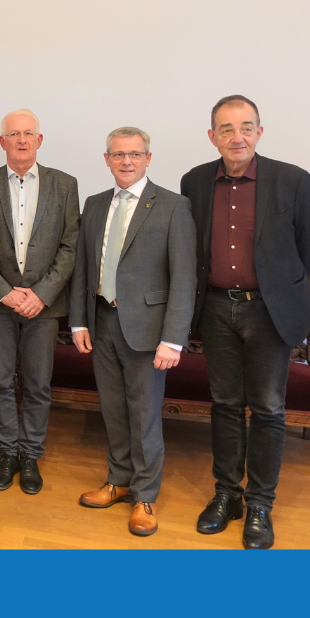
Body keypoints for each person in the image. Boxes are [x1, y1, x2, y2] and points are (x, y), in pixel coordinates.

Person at [181, 95, 310, 549]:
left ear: (259, 132)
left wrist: (278, 289)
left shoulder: (292, 180)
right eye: (226, 129)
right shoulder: (194, 182)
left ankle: (260, 503)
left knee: (267, 407)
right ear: (212, 136)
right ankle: (228, 494)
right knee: (223, 404)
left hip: (269, 311)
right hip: (216, 309)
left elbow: (309, 249)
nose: (236, 137)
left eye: (246, 127)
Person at [70, 127, 196, 537]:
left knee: (144, 415)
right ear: (106, 159)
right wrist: (79, 320)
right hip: (102, 322)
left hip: (148, 330)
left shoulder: (173, 206)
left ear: (148, 158)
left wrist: (173, 339)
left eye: (135, 154)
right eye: (118, 154)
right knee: (113, 409)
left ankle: (145, 495)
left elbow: (184, 277)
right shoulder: (94, 204)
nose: (127, 161)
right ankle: (118, 480)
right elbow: (83, 268)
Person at [0, 109, 79, 494]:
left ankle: (30, 455)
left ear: (39, 140)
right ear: (2, 142)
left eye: (28, 133)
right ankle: (7, 453)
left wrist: (42, 293)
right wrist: (3, 291)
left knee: (37, 384)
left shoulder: (65, 184)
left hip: (43, 305)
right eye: (14, 134)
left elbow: (70, 245)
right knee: (0, 381)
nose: (21, 140)